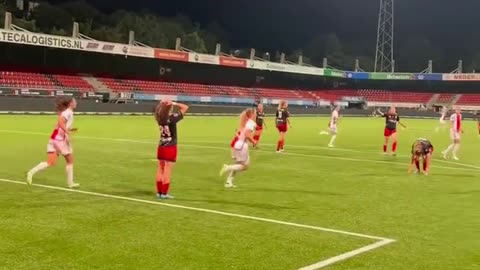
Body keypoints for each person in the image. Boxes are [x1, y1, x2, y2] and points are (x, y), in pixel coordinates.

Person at [27, 97, 79, 188]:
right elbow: (60, 122)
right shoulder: (68, 112)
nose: (76, 103)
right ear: (71, 103)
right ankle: (70, 183)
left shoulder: (67, 113)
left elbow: (58, 126)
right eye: (74, 101)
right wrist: (66, 132)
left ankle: (31, 172)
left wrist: (67, 131)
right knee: (65, 161)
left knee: (57, 161)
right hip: (60, 140)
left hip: (56, 138)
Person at [154, 99, 189, 199]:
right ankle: (164, 193)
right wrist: (173, 103)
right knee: (167, 170)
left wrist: (162, 104)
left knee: (160, 169)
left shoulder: (159, 117)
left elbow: (158, 110)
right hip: (170, 147)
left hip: (161, 145)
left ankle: (159, 192)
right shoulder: (172, 118)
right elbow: (185, 107)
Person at [220, 108, 256, 188]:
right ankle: (227, 167)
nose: (256, 115)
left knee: (238, 164)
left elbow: (241, 134)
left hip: (238, 144)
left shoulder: (245, 122)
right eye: (255, 113)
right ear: (252, 114)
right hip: (242, 146)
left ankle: (228, 182)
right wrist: (254, 142)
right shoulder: (251, 123)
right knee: (245, 166)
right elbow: (247, 135)